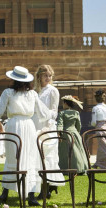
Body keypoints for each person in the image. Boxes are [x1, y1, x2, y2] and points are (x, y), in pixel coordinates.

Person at [0, 66, 51, 206]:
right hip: (28, 125)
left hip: (14, 125)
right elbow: (43, 113)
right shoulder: (32, 94)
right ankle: (30, 196)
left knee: (13, 157)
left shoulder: (8, 92)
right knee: (29, 157)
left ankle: (5, 193)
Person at [33, 65, 65, 199]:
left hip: (47, 127)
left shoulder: (53, 91)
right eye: (45, 75)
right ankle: (38, 187)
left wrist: (48, 126)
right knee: (36, 158)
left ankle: (46, 188)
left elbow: (54, 112)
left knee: (48, 158)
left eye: (50, 75)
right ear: (39, 76)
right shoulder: (35, 91)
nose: (48, 78)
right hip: (35, 126)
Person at [57, 95, 88, 174]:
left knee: (65, 152)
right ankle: (80, 168)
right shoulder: (76, 112)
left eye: (63, 103)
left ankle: (66, 169)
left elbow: (60, 125)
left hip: (65, 133)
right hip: (75, 133)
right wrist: (76, 132)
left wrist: (59, 134)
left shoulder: (62, 113)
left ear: (66, 103)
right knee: (77, 151)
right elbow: (79, 125)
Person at [91, 89, 106, 169]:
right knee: (105, 145)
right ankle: (98, 163)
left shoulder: (95, 108)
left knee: (104, 146)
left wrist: (93, 125)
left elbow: (94, 122)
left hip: (100, 127)